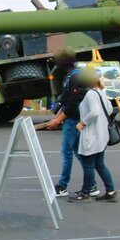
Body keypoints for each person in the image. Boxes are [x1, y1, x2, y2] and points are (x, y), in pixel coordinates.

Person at [70, 67, 117, 201]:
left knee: (88, 164)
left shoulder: (90, 94)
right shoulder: (101, 91)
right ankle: (111, 190)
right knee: (99, 164)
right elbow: (108, 109)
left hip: (92, 135)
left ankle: (85, 193)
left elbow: (95, 112)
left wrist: (83, 122)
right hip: (102, 134)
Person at [41, 49, 82, 196]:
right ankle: (91, 185)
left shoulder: (74, 77)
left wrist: (58, 120)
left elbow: (71, 103)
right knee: (79, 153)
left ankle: (63, 186)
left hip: (72, 120)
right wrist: (56, 115)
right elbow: (65, 99)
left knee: (67, 153)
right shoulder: (72, 75)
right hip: (72, 119)